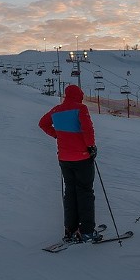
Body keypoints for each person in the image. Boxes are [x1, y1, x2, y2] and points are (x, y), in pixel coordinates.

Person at [38, 84, 101, 243]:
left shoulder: (56, 110)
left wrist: (57, 135)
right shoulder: (81, 108)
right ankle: (86, 231)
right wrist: (91, 147)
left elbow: (42, 123)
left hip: (64, 159)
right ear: (79, 95)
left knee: (70, 192)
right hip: (82, 157)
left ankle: (70, 228)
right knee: (85, 192)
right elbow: (87, 129)